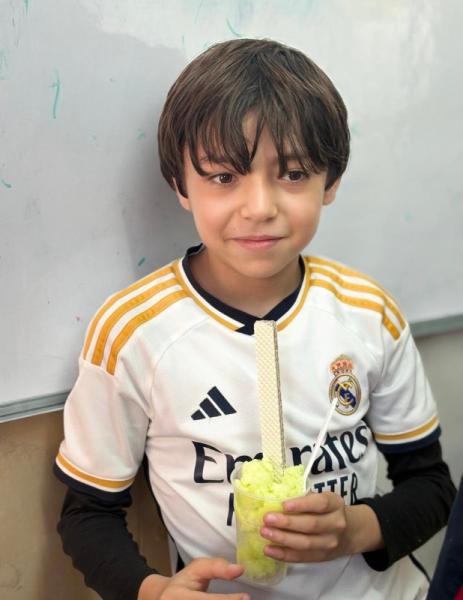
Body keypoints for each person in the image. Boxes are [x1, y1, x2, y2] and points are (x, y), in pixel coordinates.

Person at [54, 39, 456, 600]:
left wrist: (353, 529)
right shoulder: (133, 333)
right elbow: (87, 514)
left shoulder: (368, 313)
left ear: (330, 181)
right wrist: (155, 591)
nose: (260, 207)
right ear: (180, 186)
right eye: (224, 177)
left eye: (293, 173)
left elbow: (433, 486)